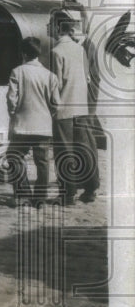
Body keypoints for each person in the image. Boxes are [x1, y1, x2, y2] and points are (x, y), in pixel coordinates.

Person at [50, 15, 100, 204]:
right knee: (86, 148)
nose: (49, 29)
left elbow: (57, 84)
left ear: (57, 28)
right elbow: (88, 78)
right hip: (82, 106)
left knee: (64, 151)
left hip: (64, 108)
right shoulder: (80, 49)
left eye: (50, 25)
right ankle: (90, 189)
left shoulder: (56, 52)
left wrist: (52, 108)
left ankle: (68, 193)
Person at [6, 36, 59, 207]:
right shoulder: (50, 76)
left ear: (23, 54)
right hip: (43, 126)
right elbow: (56, 103)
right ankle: (41, 199)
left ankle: (23, 196)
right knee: (42, 163)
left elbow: (11, 99)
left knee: (15, 157)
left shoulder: (17, 72)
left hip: (22, 125)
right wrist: (46, 114)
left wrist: (14, 113)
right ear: (38, 53)